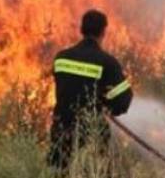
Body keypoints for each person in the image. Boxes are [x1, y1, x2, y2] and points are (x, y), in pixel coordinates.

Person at [48, 9, 133, 171]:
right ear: (103, 32)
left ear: (82, 29)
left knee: (59, 172)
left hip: (61, 130)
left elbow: (66, 87)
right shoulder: (107, 62)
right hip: (91, 134)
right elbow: (124, 98)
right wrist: (107, 104)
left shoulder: (61, 58)